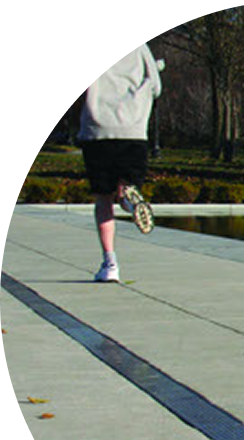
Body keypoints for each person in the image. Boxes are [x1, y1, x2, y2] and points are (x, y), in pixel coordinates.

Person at [78, 43, 162, 282]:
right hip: (133, 129)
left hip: (98, 130)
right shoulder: (141, 49)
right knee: (126, 184)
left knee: (103, 199)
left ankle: (110, 263)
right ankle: (129, 200)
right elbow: (156, 86)